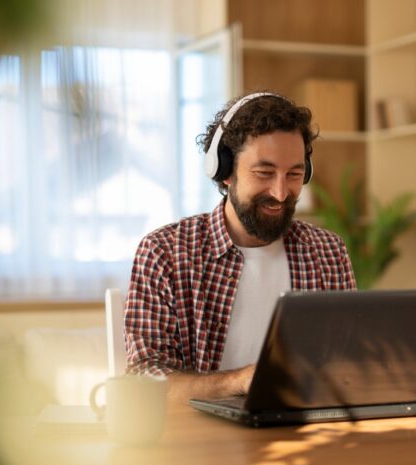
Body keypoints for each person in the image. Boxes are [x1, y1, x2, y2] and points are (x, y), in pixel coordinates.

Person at [125, 91, 356, 404]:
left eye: (294, 174)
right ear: (224, 173)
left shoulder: (327, 252)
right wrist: (240, 381)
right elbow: (144, 381)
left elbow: (349, 363)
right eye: (264, 172)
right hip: (201, 444)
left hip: (305, 433)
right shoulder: (164, 252)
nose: (280, 192)